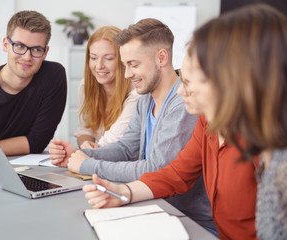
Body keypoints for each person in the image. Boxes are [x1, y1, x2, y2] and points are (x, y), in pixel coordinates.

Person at [83, 3, 287, 240]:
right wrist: (124, 192)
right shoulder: (210, 123)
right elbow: (177, 173)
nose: (182, 91)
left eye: (194, 81)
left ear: (233, 78)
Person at [49, 18, 215, 231]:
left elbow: (157, 169)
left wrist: (88, 165)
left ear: (161, 58)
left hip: (189, 219)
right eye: (125, 65)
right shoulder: (145, 97)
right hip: (156, 207)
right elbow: (127, 148)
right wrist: (80, 155)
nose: (127, 74)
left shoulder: (184, 105)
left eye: (133, 64)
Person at [0, 10, 66, 158]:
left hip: (26, 169)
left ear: (45, 52)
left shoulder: (53, 76)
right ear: (6, 44)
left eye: (36, 49)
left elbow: (37, 141)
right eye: (20, 46)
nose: (27, 57)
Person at [73, 26, 138, 149]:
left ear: (122, 60)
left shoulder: (135, 92)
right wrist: (85, 145)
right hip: (99, 160)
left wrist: (90, 152)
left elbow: (113, 141)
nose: (99, 66)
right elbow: (84, 131)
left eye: (108, 58)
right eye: (93, 58)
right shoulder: (85, 86)